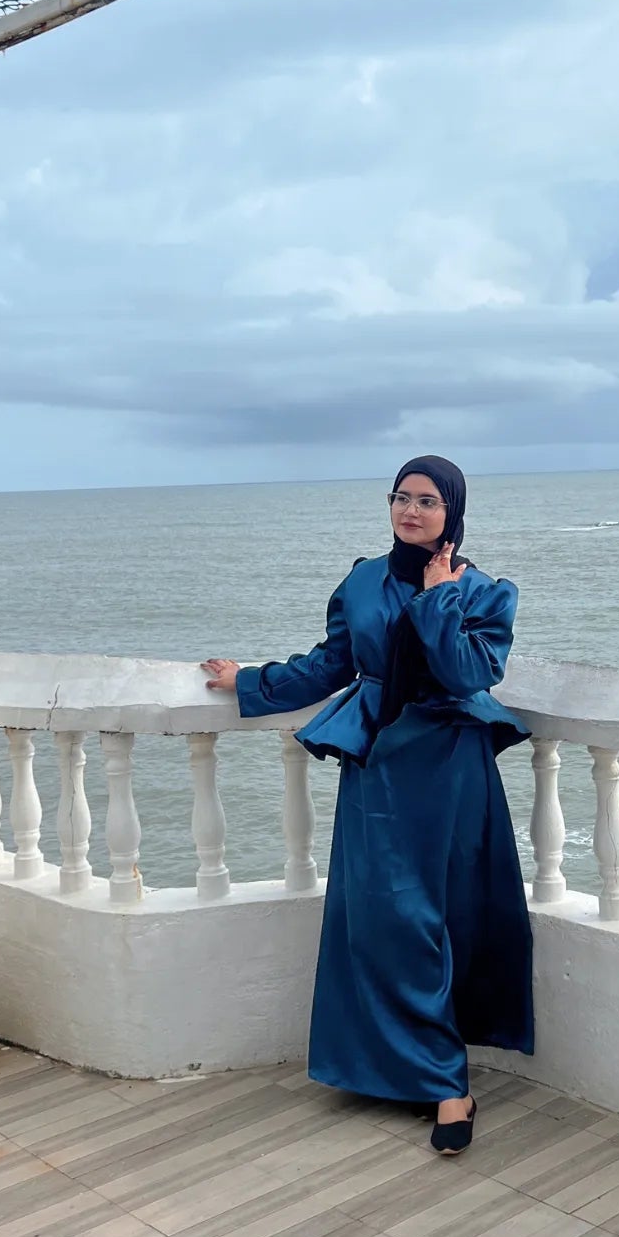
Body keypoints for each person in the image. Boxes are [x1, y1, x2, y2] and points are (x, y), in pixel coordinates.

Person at [203, 457, 533, 1155]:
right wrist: (252, 681)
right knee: (385, 918)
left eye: (427, 502)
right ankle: (407, 1068)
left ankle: (449, 1084)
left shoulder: (484, 592)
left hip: (450, 768)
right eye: (401, 498)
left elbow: (468, 673)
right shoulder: (360, 580)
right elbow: (332, 665)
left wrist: (438, 598)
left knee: (442, 920)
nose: (411, 512)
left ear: (453, 514)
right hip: (382, 768)